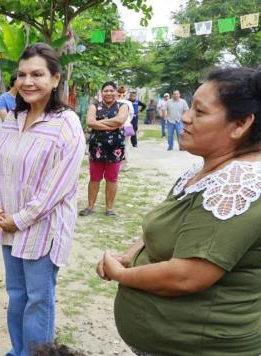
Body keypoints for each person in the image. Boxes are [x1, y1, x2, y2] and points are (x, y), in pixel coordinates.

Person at [97, 66, 261, 355]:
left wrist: (121, 275)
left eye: (199, 112)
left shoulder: (239, 184)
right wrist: (129, 256)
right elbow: (165, 227)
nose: (184, 117)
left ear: (241, 124)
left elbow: (187, 275)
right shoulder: (206, 169)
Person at [0, 43, 85, 356]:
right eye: (22, 75)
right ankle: (19, 351)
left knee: (38, 298)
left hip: (42, 229)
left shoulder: (66, 123)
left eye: (37, 74)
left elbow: (59, 186)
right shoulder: (11, 119)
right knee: (16, 295)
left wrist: (20, 219)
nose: (27, 81)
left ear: (55, 79)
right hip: (8, 224)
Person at [79, 82, 128, 218]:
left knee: (112, 178)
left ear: (116, 93)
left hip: (115, 148)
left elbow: (120, 121)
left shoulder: (122, 106)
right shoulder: (94, 106)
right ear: (101, 93)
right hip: (97, 147)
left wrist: (98, 124)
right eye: (105, 91)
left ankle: (109, 208)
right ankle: (90, 206)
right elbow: (89, 122)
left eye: (111, 90)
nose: (108, 93)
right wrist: (112, 125)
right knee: (94, 178)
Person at [117, 86, 134, 172]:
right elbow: (131, 115)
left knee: (117, 145)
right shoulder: (128, 103)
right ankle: (126, 164)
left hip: (117, 126)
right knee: (126, 145)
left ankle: (118, 164)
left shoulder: (115, 102)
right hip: (127, 125)